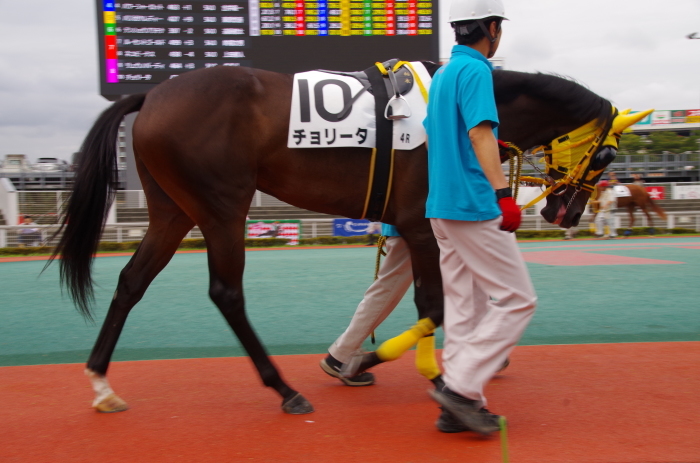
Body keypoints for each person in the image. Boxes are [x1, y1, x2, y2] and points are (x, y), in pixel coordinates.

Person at [422, 0, 537, 436]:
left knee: (465, 308)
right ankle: (460, 388)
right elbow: (478, 132)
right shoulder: (476, 71)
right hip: (472, 205)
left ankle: (460, 405)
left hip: (442, 207)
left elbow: (438, 140)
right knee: (517, 299)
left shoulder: (443, 76)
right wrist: (503, 194)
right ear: (492, 28)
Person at [320, 223, 413, 386]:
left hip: (413, 225)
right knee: (388, 287)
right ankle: (342, 355)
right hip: (418, 227)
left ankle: (343, 354)